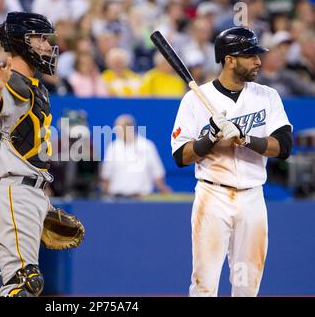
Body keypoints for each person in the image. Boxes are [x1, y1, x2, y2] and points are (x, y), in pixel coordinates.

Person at [171, 27, 293, 297]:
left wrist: (247, 138)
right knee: (204, 283)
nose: (258, 61)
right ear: (230, 59)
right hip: (212, 193)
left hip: (252, 196)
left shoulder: (267, 96)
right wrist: (210, 137)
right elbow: (181, 156)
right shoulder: (195, 99)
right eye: (250, 55)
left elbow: (284, 146)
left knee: (248, 286)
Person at [0, 12, 58, 297]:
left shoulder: (35, 86)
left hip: (27, 190)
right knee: (22, 285)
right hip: (13, 189)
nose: (48, 46)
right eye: (41, 39)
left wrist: (41, 202)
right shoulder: (11, 82)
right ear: (22, 42)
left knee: (25, 285)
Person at [101, 114, 172, 198]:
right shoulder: (112, 148)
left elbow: (157, 174)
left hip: (141, 200)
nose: (116, 131)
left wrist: (164, 191)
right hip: (117, 199)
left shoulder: (147, 146)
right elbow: (106, 176)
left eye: (119, 128)